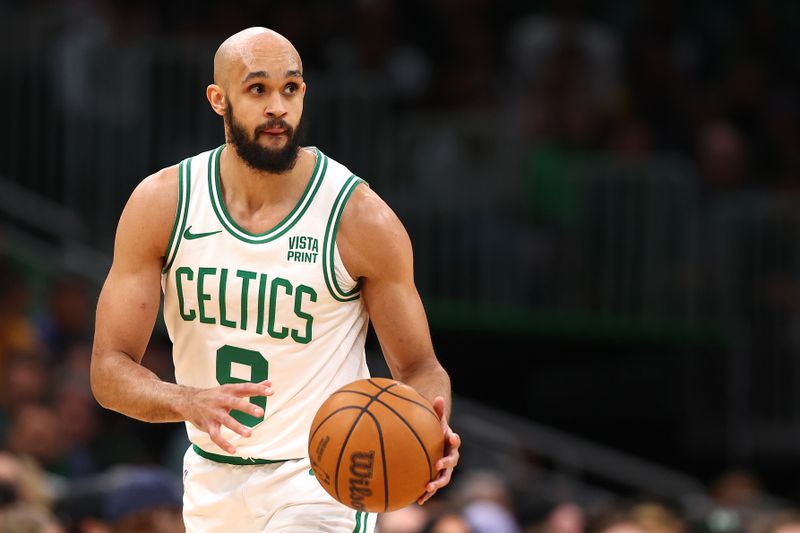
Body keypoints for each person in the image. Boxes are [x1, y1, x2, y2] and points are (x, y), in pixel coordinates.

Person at [90, 26, 460, 533]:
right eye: (257, 89)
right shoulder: (164, 204)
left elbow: (420, 366)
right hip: (211, 481)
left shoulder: (358, 218)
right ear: (219, 100)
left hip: (320, 482)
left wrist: (428, 427)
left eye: (290, 88)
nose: (278, 107)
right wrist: (186, 400)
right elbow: (109, 371)